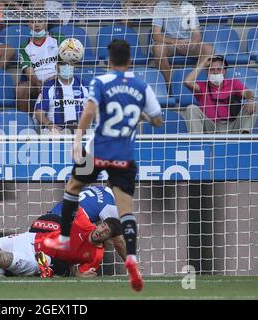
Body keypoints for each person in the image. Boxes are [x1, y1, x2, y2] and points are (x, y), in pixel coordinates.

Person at [43, 40, 164, 292]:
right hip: (124, 153)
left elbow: (88, 113)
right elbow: (158, 120)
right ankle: (132, 259)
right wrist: (140, 115)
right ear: (130, 61)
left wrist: (77, 137)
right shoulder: (142, 86)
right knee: (126, 210)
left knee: (73, 187)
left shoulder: (100, 82)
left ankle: (64, 239)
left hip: (98, 148)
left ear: (109, 61)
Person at [45, 185, 127, 260]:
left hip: (48, 220)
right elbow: (118, 242)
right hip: (59, 229)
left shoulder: (98, 188)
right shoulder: (109, 205)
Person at [184, 55, 258, 134]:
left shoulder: (233, 83)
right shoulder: (202, 86)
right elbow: (187, 82)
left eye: (219, 69)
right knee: (191, 108)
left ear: (224, 71)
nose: (215, 72)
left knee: (254, 103)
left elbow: (247, 92)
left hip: (233, 126)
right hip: (211, 127)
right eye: (212, 69)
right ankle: (197, 142)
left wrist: (250, 99)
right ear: (207, 72)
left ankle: (244, 137)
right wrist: (203, 63)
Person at [151, 0, 213, 89]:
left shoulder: (189, 7)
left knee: (208, 49)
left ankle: (192, 81)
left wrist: (193, 42)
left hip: (186, 43)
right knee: (158, 49)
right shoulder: (160, 6)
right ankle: (169, 86)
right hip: (168, 44)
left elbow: (197, 34)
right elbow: (156, 35)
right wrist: (174, 41)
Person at [16, 19, 64, 112]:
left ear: (46, 22)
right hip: (37, 83)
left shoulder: (58, 39)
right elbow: (28, 71)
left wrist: (56, 78)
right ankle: (28, 121)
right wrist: (39, 84)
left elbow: (64, 63)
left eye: (40, 21)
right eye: (32, 22)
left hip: (57, 79)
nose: (37, 25)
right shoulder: (25, 46)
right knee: (20, 89)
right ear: (28, 24)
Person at [34, 57, 88, 134]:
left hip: (81, 130)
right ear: (56, 67)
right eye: (62, 64)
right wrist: (50, 125)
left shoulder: (85, 86)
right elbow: (38, 113)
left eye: (69, 63)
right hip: (56, 131)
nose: (66, 66)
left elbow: (97, 110)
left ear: (74, 66)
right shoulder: (48, 87)